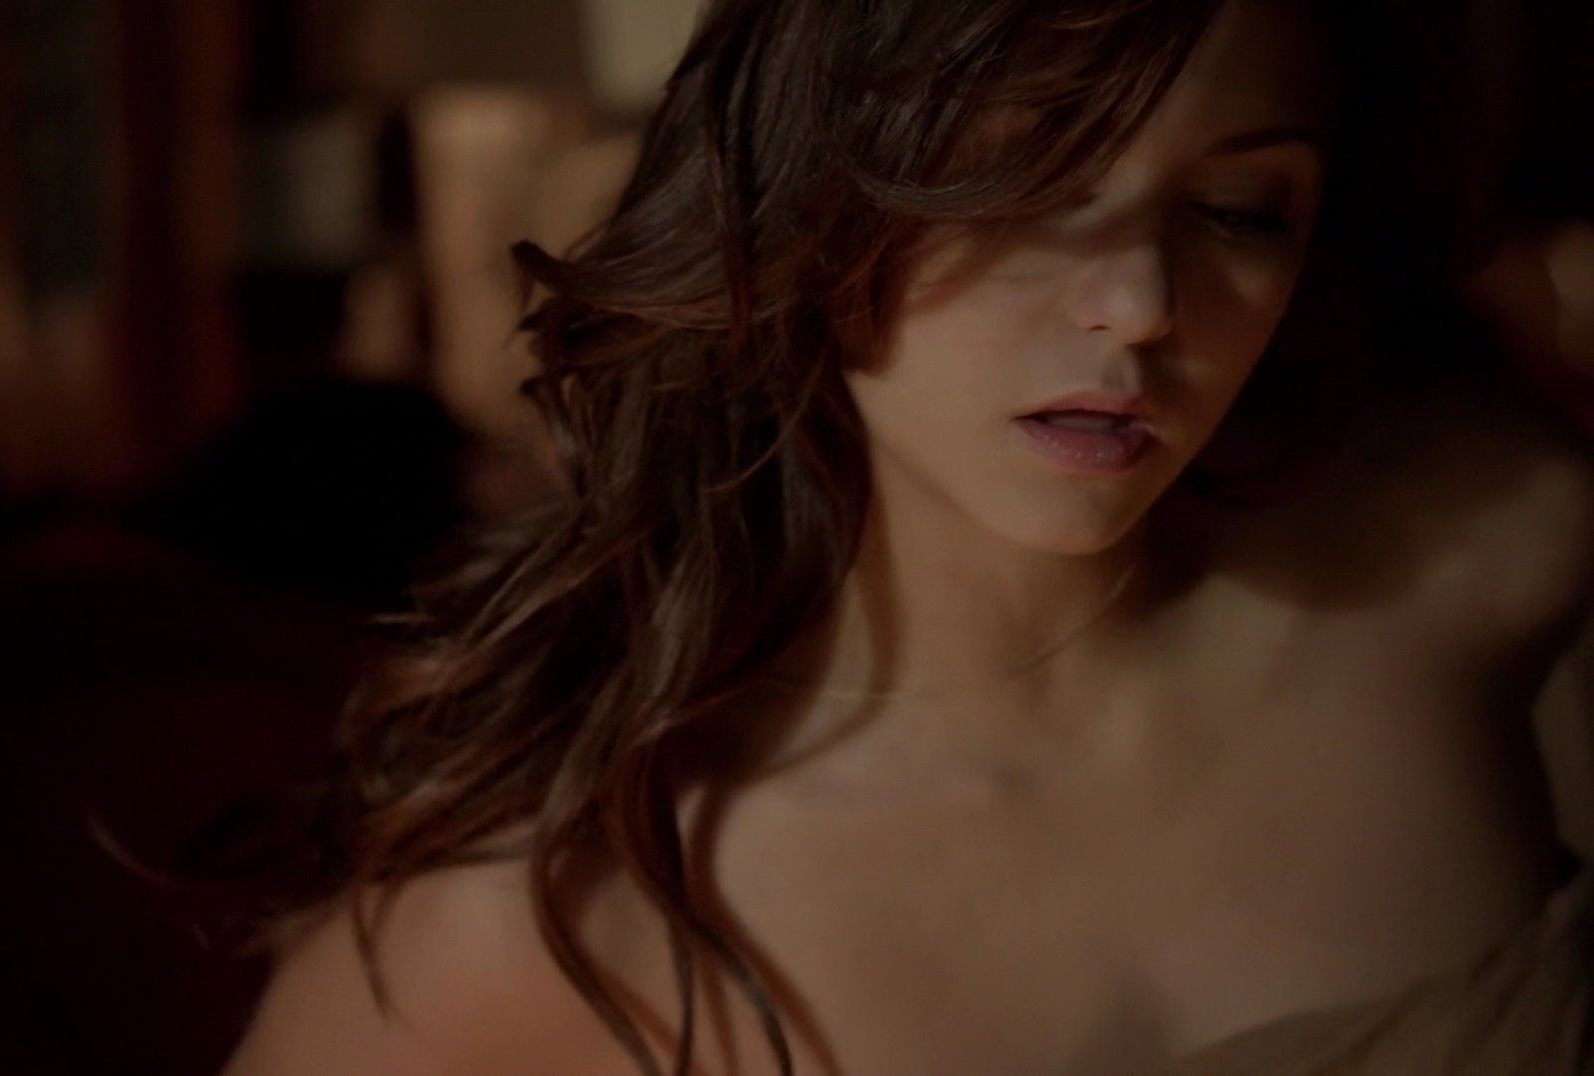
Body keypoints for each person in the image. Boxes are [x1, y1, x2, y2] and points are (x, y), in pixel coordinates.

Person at [219, 0, 1594, 1072]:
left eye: (1240, 210)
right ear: (802, 190)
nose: (1138, 303)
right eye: (1020, 184)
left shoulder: (1487, 561)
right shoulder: (548, 922)